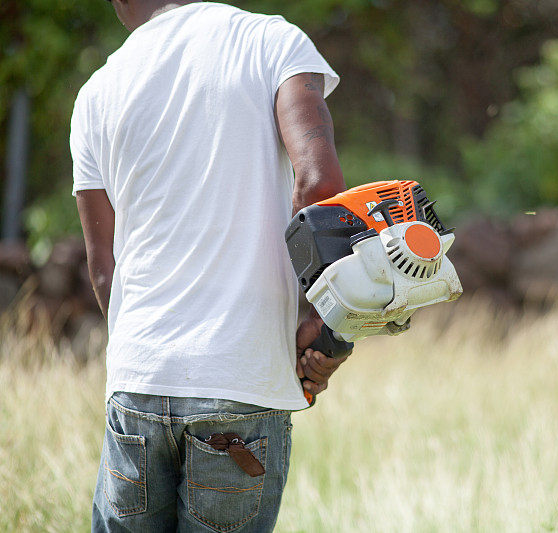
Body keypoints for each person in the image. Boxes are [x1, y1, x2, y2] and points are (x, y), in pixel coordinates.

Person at [70, 1, 349, 530]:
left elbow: (103, 268)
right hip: (241, 379)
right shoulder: (270, 41)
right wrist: (318, 320)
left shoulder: (96, 92)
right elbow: (319, 186)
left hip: (139, 378)